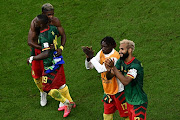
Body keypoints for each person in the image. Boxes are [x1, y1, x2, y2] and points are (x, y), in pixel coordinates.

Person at [27, 14, 75, 117]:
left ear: (42, 24)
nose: (35, 22)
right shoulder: (53, 28)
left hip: (49, 65)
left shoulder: (43, 36)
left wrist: (32, 58)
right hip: (56, 61)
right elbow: (60, 35)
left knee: (47, 88)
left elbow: (46, 53)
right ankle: (69, 102)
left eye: (37, 22)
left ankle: (67, 102)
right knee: (59, 82)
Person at [82, 37, 129, 120]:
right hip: (108, 92)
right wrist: (88, 58)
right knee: (107, 115)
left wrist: (91, 57)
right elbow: (89, 67)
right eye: (102, 46)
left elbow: (100, 69)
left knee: (126, 115)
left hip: (118, 92)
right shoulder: (101, 52)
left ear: (112, 46)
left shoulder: (115, 57)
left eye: (105, 46)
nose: (103, 48)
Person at [105, 39, 148, 120]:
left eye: (122, 49)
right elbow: (109, 76)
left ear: (130, 50)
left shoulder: (135, 65)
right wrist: (109, 69)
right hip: (129, 100)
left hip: (138, 102)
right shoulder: (121, 62)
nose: (119, 51)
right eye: (119, 49)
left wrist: (113, 68)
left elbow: (126, 81)